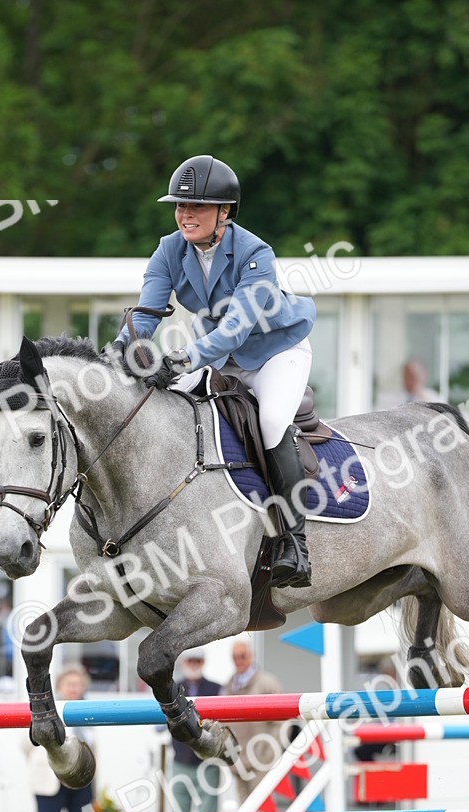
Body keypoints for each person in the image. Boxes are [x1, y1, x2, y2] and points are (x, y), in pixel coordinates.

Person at [109, 154, 317, 589]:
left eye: (197, 207)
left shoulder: (255, 254)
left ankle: (294, 541)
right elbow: (146, 312)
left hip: (278, 351)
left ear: (224, 213)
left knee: (273, 420)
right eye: (181, 206)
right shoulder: (169, 249)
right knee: (165, 404)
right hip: (219, 357)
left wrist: (183, 357)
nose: (185, 214)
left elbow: (236, 328)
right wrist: (119, 350)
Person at [26, 665, 95, 812]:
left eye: (78, 685)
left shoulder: (90, 711)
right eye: (70, 684)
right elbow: (26, 743)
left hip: (80, 779)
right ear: (59, 687)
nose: (74, 689)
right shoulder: (43, 709)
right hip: (50, 779)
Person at [167, 648, 223, 812]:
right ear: (184, 662)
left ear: (204, 662)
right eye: (191, 659)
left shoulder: (216, 688)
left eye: (198, 659)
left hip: (207, 763)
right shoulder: (170, 688)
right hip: (180, 761)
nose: (194, 663)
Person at [224, 637, 285, 804]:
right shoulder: (229, 685)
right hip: (238, 762)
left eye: (242, 656)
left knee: (262, 810)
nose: (239, 660)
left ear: (252, 656)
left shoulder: (267, 683)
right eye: (235, 657)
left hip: (261, 761)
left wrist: (267, 754)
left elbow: (281, 722)